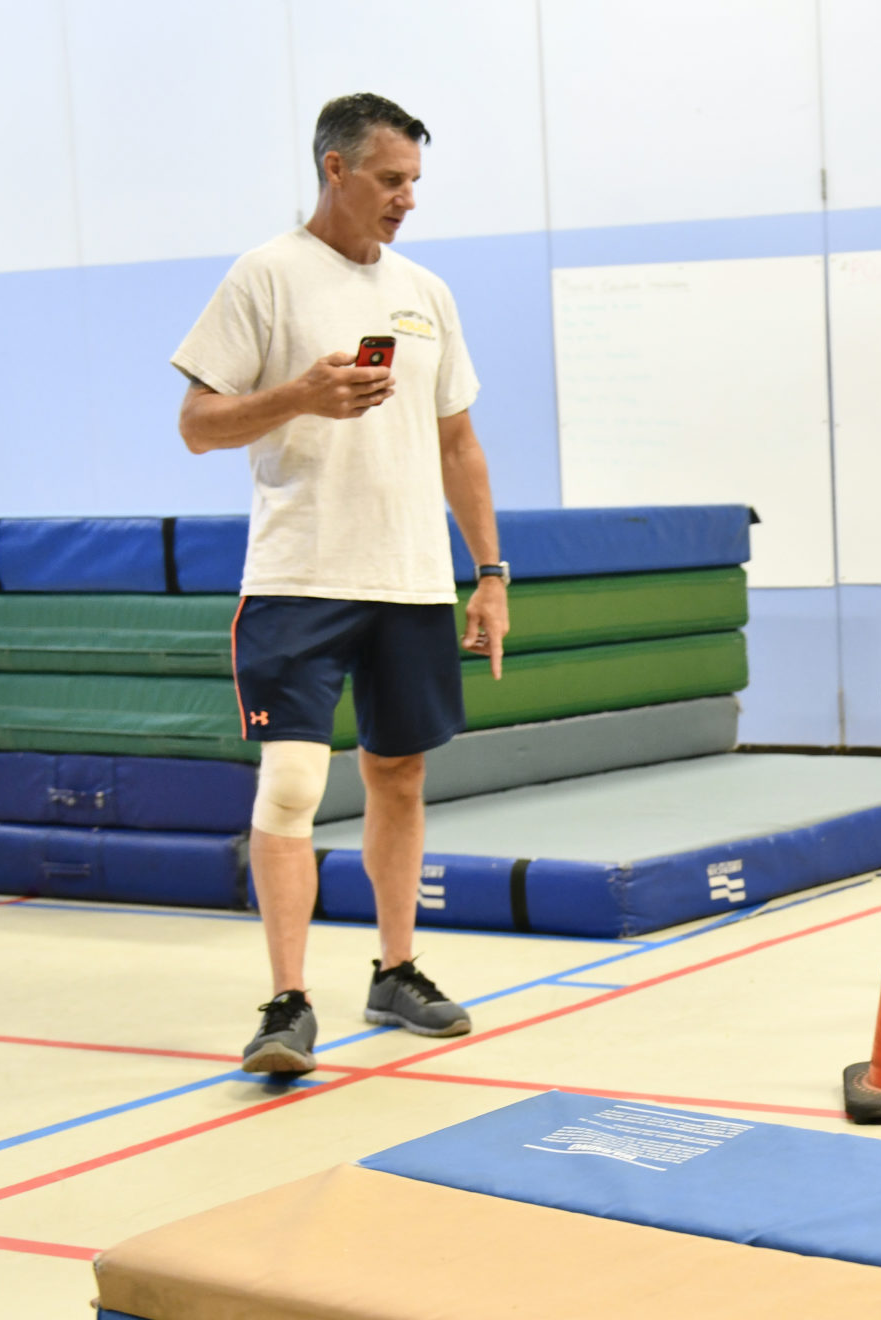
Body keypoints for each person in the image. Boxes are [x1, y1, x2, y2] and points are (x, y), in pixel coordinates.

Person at [171, 93, 510, 1076]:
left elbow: (460, 444)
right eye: (390, 179)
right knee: (293, 786)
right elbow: (198, 422)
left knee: (400, 778)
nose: (407, 199)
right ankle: (286, 1004)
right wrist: (300, 396)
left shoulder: (425, 292)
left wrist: (487, 575)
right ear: (334, 169)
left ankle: (396, 970)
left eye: (414, 182)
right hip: (299, 577)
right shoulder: (265, 278)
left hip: (410, 581)